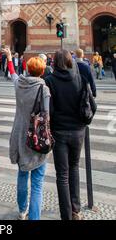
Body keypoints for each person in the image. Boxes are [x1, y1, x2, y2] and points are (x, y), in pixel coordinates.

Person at [6, 48, 50, 220]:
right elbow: (46, 116)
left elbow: (12, 73)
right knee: (37, 183)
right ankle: (34, 217)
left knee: (22, 173)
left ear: (27, 69)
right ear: (42, 71)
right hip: (37, 137)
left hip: (19, 134)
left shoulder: (19, 84)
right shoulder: (44, 89)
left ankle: (22, 209)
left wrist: (10, 58)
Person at [45, 50, 87, 220]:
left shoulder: (49, 81)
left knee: (62, 175)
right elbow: (88, 104)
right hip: (78, 131)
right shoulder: (79, 79)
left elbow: (50, 110)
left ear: (54, 62)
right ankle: (75, 210)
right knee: (74, 168)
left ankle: (66, 215)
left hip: (59, 132)